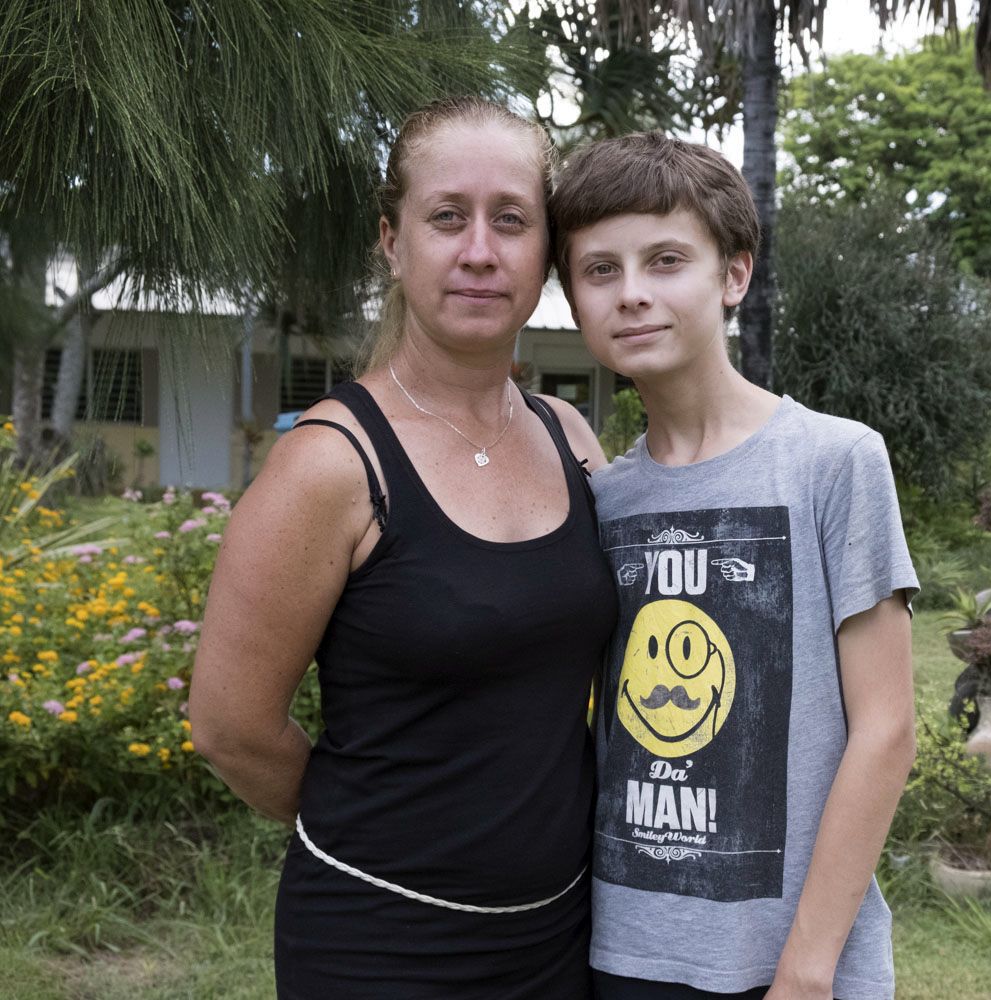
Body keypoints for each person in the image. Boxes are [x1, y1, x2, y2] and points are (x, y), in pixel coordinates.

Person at [187, 96, 614, 999]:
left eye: (512, 220)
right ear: (392, 241)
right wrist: (382, 832)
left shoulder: (571, 437)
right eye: (446, 217)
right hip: (381, 944)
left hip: (565, 936)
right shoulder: (329, 466)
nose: (479, 251)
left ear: (547, 250)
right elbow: (230, 729)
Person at [550, 133, 920, 1000]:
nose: (632, 293)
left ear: (734, 275)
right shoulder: (604, 502)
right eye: (599, 271)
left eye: (666, 259)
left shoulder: (835, 461)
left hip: (794, 963)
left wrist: (807, 967)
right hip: (623, 953)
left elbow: (887, 731)